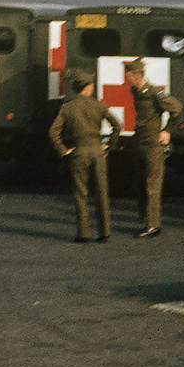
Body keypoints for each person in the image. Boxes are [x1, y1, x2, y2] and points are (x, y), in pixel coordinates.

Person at [48, 69, 113, 242]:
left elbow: (53, 132)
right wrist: (109, 146)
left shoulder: (68, 107)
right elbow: (117, 125)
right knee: (102, 192)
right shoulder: (98, 105)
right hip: (98, 152)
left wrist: (64, 150)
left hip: (79, 152)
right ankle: (104, 232)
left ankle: (83, 233)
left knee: (81, 193)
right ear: (89, 87)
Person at [123, 59, 175, 238]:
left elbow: (176, 108)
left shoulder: (154, 93)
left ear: (136, 76)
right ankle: (146, 220)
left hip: (153, 144)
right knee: (141, 182)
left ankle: (154, 225)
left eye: (129, 75)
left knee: (152, 185)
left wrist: (166, 130)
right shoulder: (136, 91)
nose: (127, 79)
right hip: (140, 142)